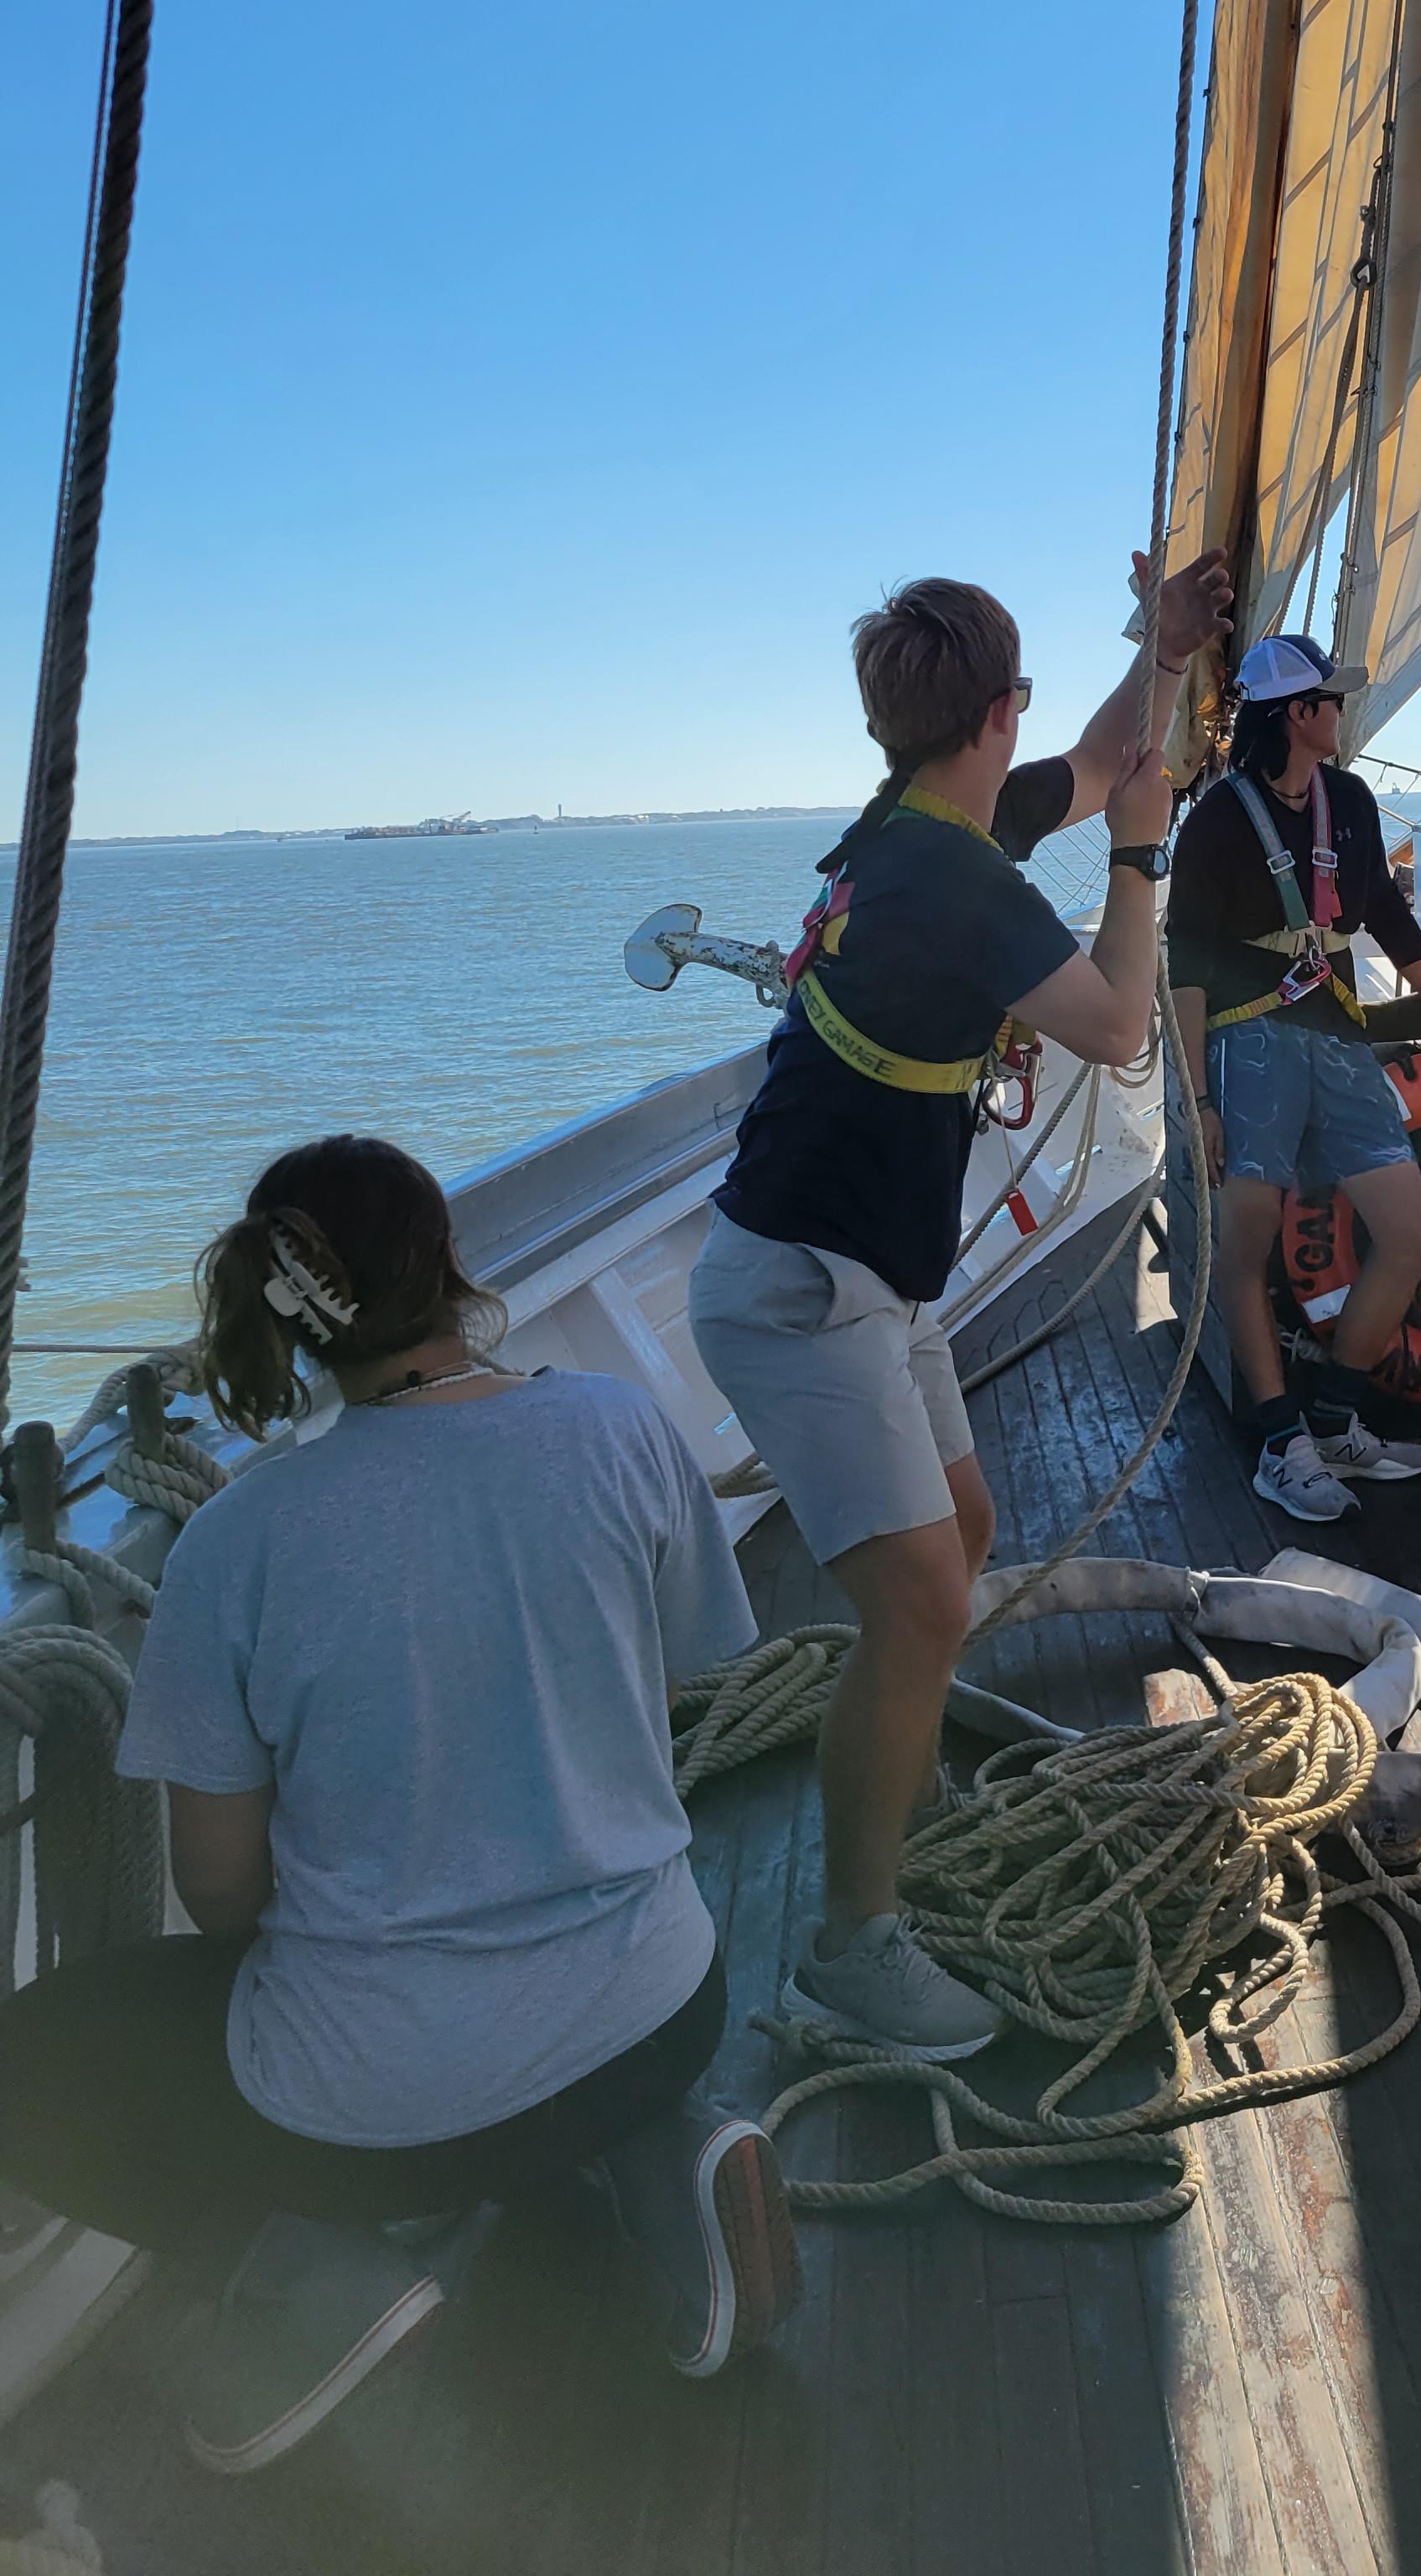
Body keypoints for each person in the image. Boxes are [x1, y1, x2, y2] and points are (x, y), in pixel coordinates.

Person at [0, 1138, 793, 2478]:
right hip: (663, 2012)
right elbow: (683, 1673)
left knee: (31, 2068)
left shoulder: (237, 1543)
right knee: (545, 2045)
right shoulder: (615, 1427)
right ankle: (665, 2148)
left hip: (387, 2115)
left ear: (276, 1308)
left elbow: (220, 1895)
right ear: (453, 1267)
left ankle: (316, 2269)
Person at [686, 552, 1232, 2060]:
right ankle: (849, 1950)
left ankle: (894, 1788)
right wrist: (1140, 854)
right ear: (1000, 708)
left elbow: (1121, 748)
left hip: (871, 1272)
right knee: (921, 1599)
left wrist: (1167, 651)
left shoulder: (924, 823)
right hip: (802, 1292)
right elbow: (1121, 1028)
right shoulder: (955, 876)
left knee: (965, 1534)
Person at [1166, 630, 1421, 1525]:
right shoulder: (1216, 820)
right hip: (1250, 1049)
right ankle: (1282, 1448)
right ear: (1298, 714)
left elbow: (1393, 924)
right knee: (1245, 1252)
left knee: (1409, 1234)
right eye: (1330, 698)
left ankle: (1333, 1422)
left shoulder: (1351, 802)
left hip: (1336, 1043)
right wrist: (1200, 1100)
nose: (1341, 711)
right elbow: (1187, 967)